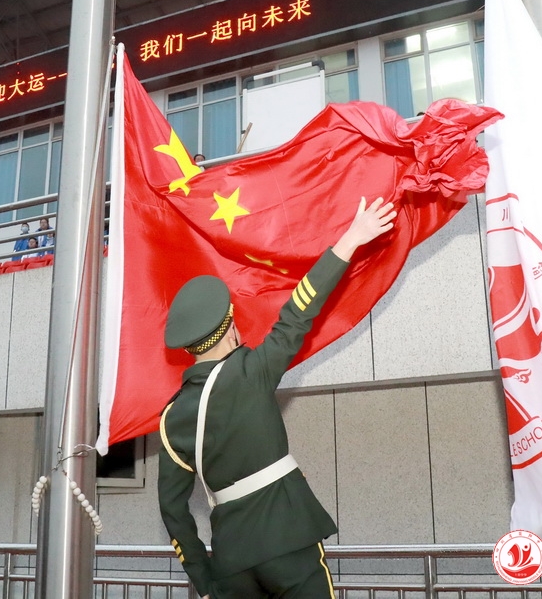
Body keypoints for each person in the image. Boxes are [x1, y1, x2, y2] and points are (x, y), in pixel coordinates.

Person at [158, 196, 396, 599]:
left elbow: (174, 513)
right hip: (288, 541)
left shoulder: (171, 417)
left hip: (230, 561)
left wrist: (205, 581)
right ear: (230, 326)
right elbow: (298, 311)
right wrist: (352, 238)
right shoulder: (250, 371)